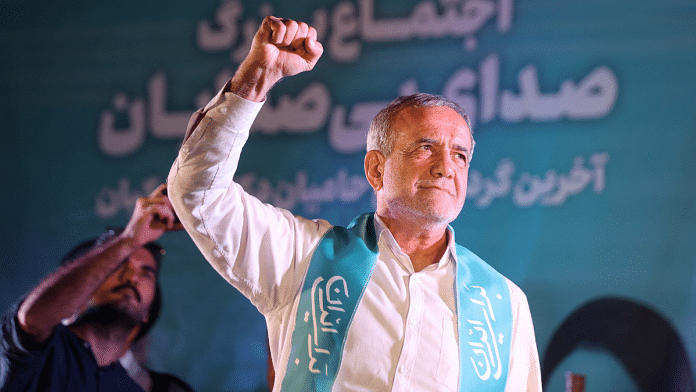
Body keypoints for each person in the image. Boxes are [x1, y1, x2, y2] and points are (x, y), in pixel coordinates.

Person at [167, 16, 542, 391]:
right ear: (376, 170)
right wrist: (256, 77)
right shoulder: (302, 256)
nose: (446, 167)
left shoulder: (503, 304)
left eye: (460, 155)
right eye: (425, 147)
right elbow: (197, 192)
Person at [0, 184, 195, 392]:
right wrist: (130, 240)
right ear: (84, 290)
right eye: (119, 266)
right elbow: (32, 321)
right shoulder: (39, 350)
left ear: (148, 313)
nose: (131, 277)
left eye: (146, 273)